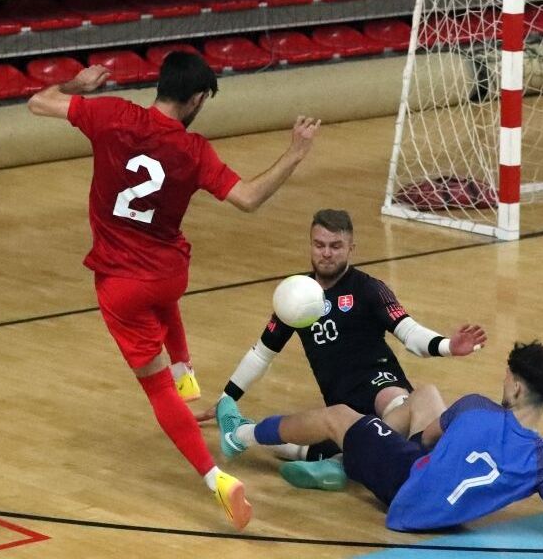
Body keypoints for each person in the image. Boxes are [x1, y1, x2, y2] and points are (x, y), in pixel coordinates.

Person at [26, 52, 323, 529]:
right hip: (168, 275)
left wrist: (78, 84)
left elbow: (39, 103)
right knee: (164, 290)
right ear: (198, 98)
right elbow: (248, 198)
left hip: (121, 282)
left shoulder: (111, 114)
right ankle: (184, 367)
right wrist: (294, 153)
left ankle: (215, 479)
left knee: (156, 388)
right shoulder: (194, 151)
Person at [217, 341, 543, 559]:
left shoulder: (475, 408)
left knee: (339, 416)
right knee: (425, 394)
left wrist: (380, 437)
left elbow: (425, 441)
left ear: (516, 387)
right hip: (444, 516)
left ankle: (243, 435)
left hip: (405, 492)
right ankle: (345, 461)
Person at [197, 208, 488, 472]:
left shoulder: (369, 289)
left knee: (396, 403)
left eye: (335, 246)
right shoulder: (296, 295)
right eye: (319, 245)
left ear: (351, 248)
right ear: (310, 245)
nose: (326, 253)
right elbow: (262, 354)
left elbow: (409, 332)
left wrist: (448, 346)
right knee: (289, 447)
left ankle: (343, 462)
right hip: (341, 404)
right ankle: (334, 458)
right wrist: (225, 400)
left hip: (380, 382)